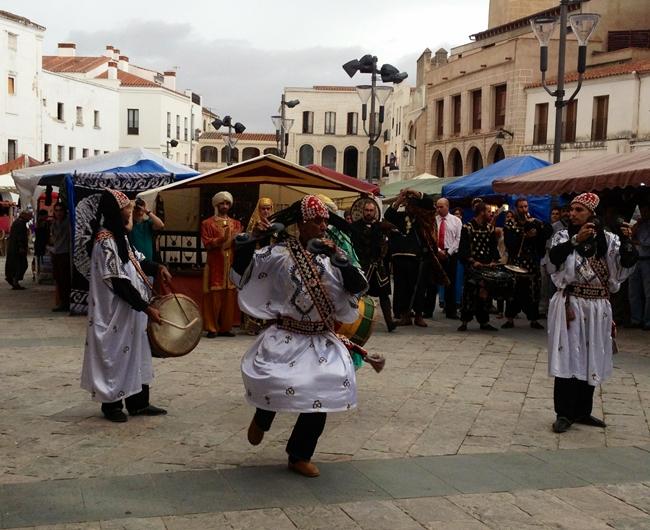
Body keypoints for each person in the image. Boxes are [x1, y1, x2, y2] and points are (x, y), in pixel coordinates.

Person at [231, 195, 368, 477]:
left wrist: (339, 260)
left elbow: (359, 287)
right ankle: (263, 415)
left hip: (320, 338)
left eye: (326, 220)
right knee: (278, 380)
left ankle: (299, 454)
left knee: (324, 388)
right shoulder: (279, 254)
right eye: (317, 220)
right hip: (287, 334)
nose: (323, 225)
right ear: (302, 223)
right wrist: (250, 240)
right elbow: (242, 273)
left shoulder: (334, 257)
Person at [547, 192, 637, 433]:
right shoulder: (563, 236)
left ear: (592, 214)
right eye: (572, 210)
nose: (572, 214)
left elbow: (627, 263)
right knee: (568, 355)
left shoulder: (608, 239)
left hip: (598, 305)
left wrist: (628, 241)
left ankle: (583, 411)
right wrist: (576, 241)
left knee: (591, 355)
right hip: (571, 303)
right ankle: (564, 412)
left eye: (579, 210)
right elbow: (553, 259)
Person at [80, 189, 172, 422]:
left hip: (129, 313)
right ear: (116, 211)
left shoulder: (119, 237)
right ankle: (111, 406)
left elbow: (137, 260)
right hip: (114, 312)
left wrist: (157, 267)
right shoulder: (105, 241)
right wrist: (146, 307)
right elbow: (119, 282)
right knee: (114, 356)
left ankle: (138, 403)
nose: (131, 211)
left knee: (137, 355)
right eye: (127, 208)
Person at [385, 189, 441, 327]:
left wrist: (415, 193)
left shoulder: (422, 216)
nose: (409, 205)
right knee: (401, 287)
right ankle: (404, 315)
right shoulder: (399, 216)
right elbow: (388, 215)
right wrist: (398, 200)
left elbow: (429, 204)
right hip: (399, 256)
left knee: (419, 287)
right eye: (407, 202)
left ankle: (419, 315)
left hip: (417, 257)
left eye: (411, 202)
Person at [502, 198, 551, 330]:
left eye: (525, 207)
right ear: (516, 208)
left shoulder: (534, 221)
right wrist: (524, 235)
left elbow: (545, 233)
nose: (524, 209)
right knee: (513, 290)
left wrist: (537, 231)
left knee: (533, 291)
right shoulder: (510, 224)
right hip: (516, 261)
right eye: (521, 207)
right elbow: (509, 243)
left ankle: (533, 319)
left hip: (531, 263)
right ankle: (510, 319)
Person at [350, 198, 396, 331]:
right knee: (360, 295)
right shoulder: (355, 227)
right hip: (363, 266)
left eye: (371, 210)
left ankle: (390, 323)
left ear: (375, 212)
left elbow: (388, 242)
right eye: (366, 210)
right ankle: (356, 323)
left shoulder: (381, 226)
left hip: (379, 267)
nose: (369, 213)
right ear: (363, 211)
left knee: (384, 295)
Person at [200, 191, 242, 338]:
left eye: (227, 203)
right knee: (214, 296)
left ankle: (226, 327)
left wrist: (237, 239)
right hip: (215, 265)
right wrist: (221, 239)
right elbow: (207, 243)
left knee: (230, 297)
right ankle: (212, 327)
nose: (225, 206)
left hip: (230, 265)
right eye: (222, 203)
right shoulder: (207, 223)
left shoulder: (236, 224)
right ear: (216, 205)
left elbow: (239, 244)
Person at [457, 200, 500, 332]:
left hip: (486, 266)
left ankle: (484, 321)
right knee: (470, 293)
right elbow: (463, 249)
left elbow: (493, 247)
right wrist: (472, 261)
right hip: (473, 266)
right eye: (488, 211)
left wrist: (494, 261)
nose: (490, 214)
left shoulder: (489, 229)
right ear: (481, 212)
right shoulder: (467, 228)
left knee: (485, 294)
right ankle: (464, 321)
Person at [434, 198, 462, 319]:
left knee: (450, 282)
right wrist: (439, 251)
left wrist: (448, 252)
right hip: (437, 253)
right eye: (437, 207)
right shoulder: (434, 221)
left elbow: (458, 238)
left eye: (441, 207)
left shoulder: (456, 221)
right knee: (432, 282)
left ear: (447, 207)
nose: (438, 209)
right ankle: (427, 309)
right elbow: (432, 237)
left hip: (451, 253)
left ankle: (451, 310)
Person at [629, 203, 650, 330]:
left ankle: (647, 321)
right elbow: (630, 235)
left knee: (648, 293)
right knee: (634, 292)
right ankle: (635, 319)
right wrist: (637, 224)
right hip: (636, 260)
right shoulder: (639, 224)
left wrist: (636, 242)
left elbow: (646, 243)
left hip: (648, 260)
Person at [5, 207, 33, 289]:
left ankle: (13, 280)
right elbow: (20, 236)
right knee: (21, 265)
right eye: (29, 216)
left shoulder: (18, 222)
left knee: (18, 265)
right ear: (24, 215)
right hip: (17, 249)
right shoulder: (20, 223)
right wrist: (21, 246)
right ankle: (14, 281)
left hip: (14, 247)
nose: (30, 218)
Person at [50, 202, 71, 311]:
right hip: (56, 253)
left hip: (65, 253)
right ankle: (63, 302)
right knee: (58, 279)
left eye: (60, 210)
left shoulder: (68, 222)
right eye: (56, 210)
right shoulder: (54, 223)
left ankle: (66, 303)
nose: (58, 213)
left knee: (64, 279)